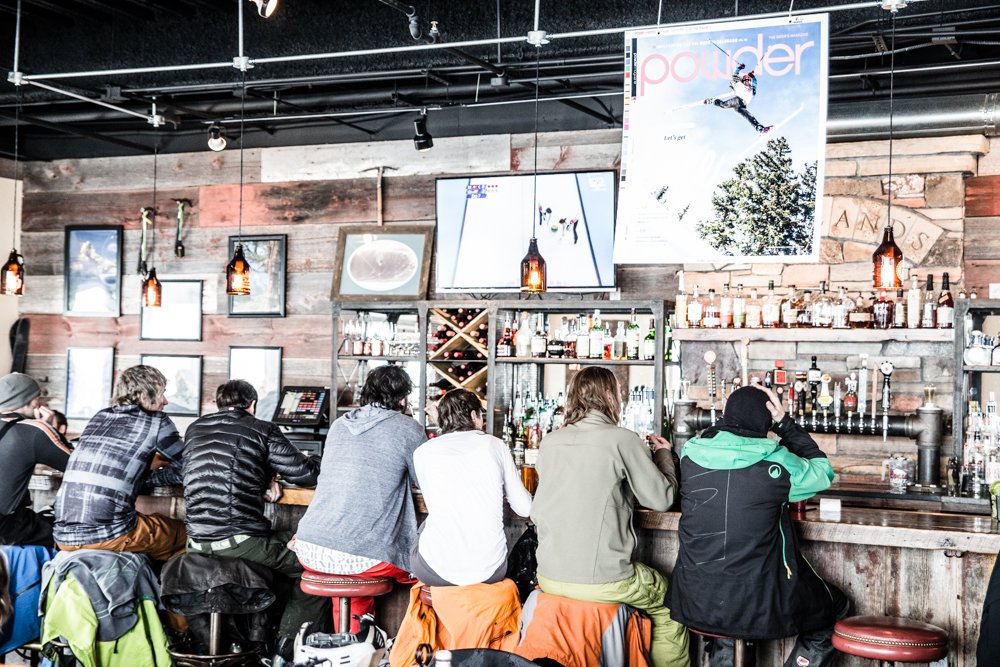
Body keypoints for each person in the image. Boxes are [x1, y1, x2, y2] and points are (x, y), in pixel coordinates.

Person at [667, 385, 850, 667]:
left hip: (694, 597)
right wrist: (784, 423)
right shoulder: (777, 462)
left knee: (728, 621)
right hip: (759, 599)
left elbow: (720, 438)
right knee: (837, 607)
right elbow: (822, 472)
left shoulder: (690, 455)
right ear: (765, 422)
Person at [530, 366, 690, 667]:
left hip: (548, 576)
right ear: (609, 395)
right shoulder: (623, 439)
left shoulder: (550, 441)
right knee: (671, 604)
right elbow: (662, 499)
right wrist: (664, 455)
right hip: (604, 580)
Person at [182, 379, 325, 662]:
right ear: (253, 405)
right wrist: (269, 476)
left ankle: (255, 639)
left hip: (195, 544)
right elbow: (307, 475)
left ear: (218, 404)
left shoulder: (194, 428)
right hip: (239, 542)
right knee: (315, 564)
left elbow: (202, 473)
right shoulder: (262, 429)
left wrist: (262, 478)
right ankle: (287, 650)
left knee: (281, 553)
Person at [293, 365, 425, 632]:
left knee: (351, 583)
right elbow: (425, 481)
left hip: (310, 549)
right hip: (367, 558)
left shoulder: (339, 425)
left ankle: (352, 643)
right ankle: (415, 649)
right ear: (403, 398)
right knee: (434, 572)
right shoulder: (408, 428)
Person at [53, 365, 186, 561]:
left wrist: (144, 477)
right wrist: (155, 477)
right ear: (144, 396)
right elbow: (190, 468)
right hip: (109, 533)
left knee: (153, 528)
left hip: (62, 535)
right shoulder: (156, 421)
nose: (165, 401)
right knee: (184, 534)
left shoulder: (100, 417)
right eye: (161, 394)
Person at [411, 388, 532, 586]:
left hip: (433, 570)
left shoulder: (423, 452)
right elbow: (525, 508)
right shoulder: (495, 446)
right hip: (490, 571)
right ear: (474, 415)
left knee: (426, 525)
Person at [0, 373, 73, 547]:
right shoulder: (33, 429)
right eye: (38, 397)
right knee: (79, 530)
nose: (40, 402)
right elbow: (77, 464)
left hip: (7, 524)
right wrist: (48, 427)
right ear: (30, 400)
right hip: (9, 529)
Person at [704, 62, 772, 134]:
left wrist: (752, 76)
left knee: (748, 116)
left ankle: (760, 128)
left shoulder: (752, 89)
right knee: (723, 105)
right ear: (743, 80)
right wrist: (739, 68)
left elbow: (755, 82)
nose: (747, 81)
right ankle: (713, 101)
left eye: (748, 80)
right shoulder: (739, 84)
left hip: (742, 106)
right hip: (737, 100)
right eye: (746, 80)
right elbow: (735, 75)